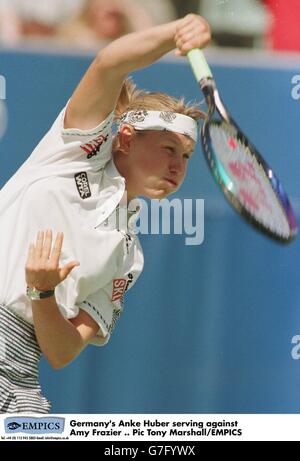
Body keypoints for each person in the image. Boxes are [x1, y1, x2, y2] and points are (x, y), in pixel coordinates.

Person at [0, 13, 211, 413]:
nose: (178, 167)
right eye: (168, 149)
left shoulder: (129, 259)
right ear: (127, 139)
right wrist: (175, 32)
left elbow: (61, 353)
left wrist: (42, 293)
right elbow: (109, 63)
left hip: (20, 376)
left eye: (185, 156)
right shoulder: (73, 153)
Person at [57, 0, 155, 49]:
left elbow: (151, 43)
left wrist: (131, 10)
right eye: (108, 15)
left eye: (117, 15)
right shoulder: (74, 38)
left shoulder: (126, 42)